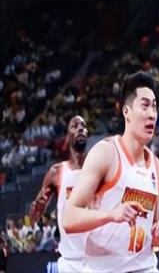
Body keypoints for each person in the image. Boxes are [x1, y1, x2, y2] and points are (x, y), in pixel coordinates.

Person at [63, 71, 159, 272]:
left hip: (145, 267)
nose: (152, 114)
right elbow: (69, 218)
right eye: (145, 106)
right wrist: (111, 215)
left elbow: (151, 228)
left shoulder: (156, 166)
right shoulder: (106, 153)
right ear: (126, 111)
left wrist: (158, 231)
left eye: (154, 107)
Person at [29, 115, 88, 273]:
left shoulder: (98, 168)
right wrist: (36, 209)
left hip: (95, 259)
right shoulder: (57, 172)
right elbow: (33, 218)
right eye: (75, 126)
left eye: (83, 126)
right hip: (69, 261)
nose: (81, 129)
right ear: (68, 137)